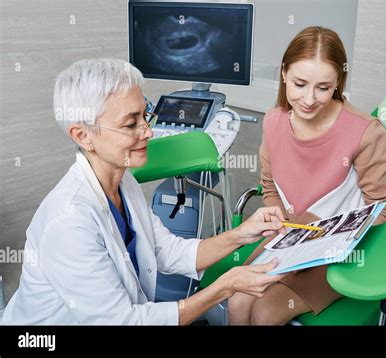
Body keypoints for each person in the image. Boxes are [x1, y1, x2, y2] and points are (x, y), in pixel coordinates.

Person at [1, 58, 287, 325]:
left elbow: (169, 251)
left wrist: (242, 233)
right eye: (130, 124)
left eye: (145, 115)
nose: (147, 131)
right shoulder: (67, 223)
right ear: (83, 135)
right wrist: (224, 286)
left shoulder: (123, 182)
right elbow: (125, 322)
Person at [228, 26, 386, 325]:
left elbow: (383, 208)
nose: (308, 99)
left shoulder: (365, 132)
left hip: (336, 250)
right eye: (299, 83)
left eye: (323, 87)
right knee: (237, 301)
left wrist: (328, 243)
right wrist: (280, 223)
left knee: (265, 314)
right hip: (289, 237)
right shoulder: (274, 122)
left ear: (338, 83)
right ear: (283, 73)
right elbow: (269, 186)